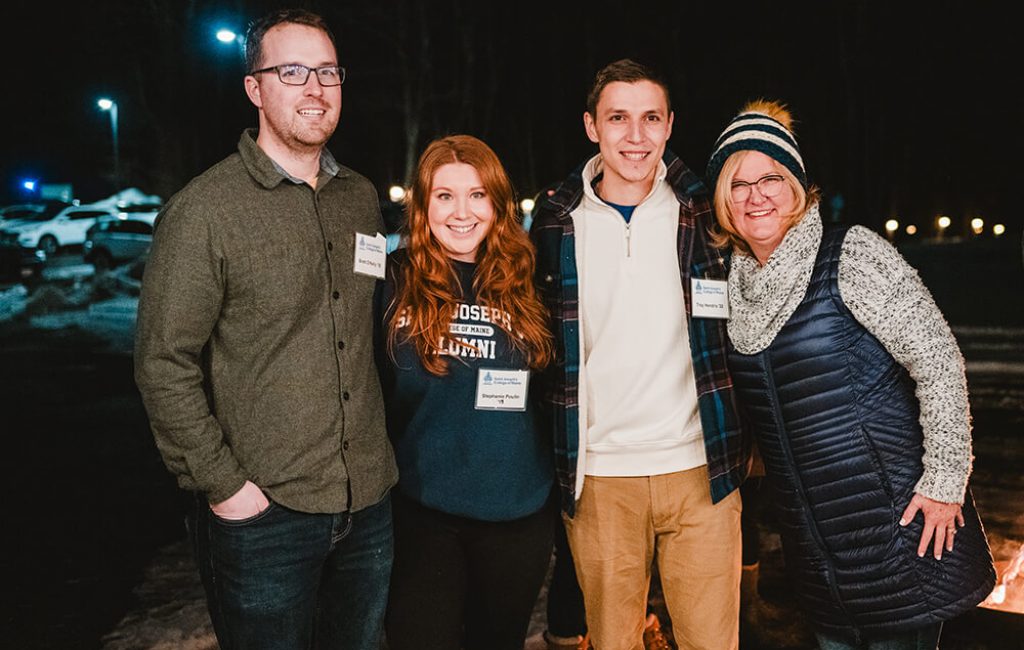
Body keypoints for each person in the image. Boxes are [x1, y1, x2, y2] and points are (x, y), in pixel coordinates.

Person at [134, 9, 397, 650]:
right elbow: (162, 363)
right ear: (255, 88)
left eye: (328, 72)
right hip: (264, 519)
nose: (315, 88)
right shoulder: (204, 212)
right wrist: (224, 487)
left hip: (367, 506)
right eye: (292, 71)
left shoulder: (360, 197)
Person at [706, 99, 996, 649]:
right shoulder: (732, 286)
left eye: (770, 176)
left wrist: (943, 484)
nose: (754, 195)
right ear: (722, 200)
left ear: (796, 184)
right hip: (816, 550)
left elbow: (938, 360)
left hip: (896, 530)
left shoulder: (852, 255)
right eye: (737, 184)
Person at [530, 59, 749, 650]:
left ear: (670, 125)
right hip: (600, 478)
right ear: (590, 126)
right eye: (618, 118)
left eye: (650, 118)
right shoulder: (555, 220)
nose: (635, 135)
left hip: (701, 472)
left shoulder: (706, 212)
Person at [377, 135, 557, 650]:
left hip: (516, 517)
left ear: (499, 203)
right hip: (421, 513)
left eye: (478, 195)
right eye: (444, 196)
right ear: (422, 204)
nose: (462, 212)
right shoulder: (392, 280)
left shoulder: (532, 279)